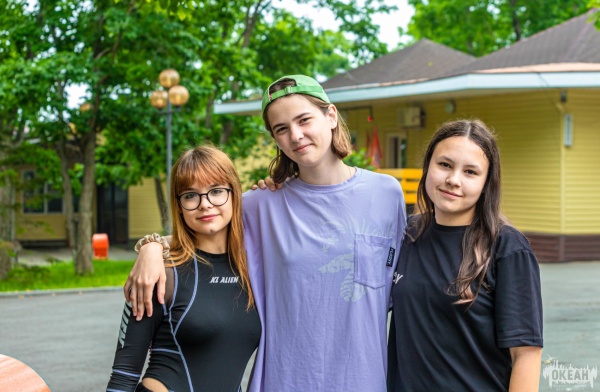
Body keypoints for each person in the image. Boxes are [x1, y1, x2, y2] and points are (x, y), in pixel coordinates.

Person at [126, 74, 407, 391]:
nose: (296, 135)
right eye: (281, 129)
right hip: (284, 381)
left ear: (331, 116)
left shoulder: (387, 194)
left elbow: (402, 288)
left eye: (304, 120)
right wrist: (150, 248)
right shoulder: (259, 205)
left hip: (363, 380)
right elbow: (200, 236)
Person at [387, 119, 543, 391]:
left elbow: (526, 354)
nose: (453, 180)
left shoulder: (507, 248)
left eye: (470, 172)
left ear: (486, 183)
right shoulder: (406, 234)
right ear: (428, 166)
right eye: (445, 165)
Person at [107, 145, 261, 392]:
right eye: (190, 195)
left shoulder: (254, 267)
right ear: (179, 205)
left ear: (234, 193)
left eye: (216, 191)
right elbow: (123, 375)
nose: (205, 204)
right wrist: (151, 247)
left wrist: (152, 244)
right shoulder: (159, 273)